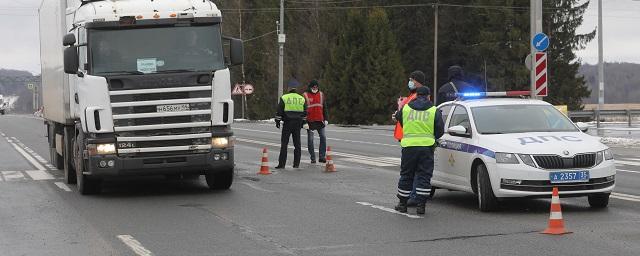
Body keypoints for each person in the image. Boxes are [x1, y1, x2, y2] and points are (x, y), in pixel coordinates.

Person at [394, 86, 445, 215]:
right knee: (424, 175)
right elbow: (440, 131)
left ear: (416, 95)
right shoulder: (434, 110)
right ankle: (421, 205)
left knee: (406, 175)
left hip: (409, 147)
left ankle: (402, 204)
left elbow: (399, 118)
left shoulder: (406, 108)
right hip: (426, 148)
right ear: (429, 96)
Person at [275, 80, 308, 169]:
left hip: (287, 123)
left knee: (284, 144)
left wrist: (277, 121)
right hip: (297, 123)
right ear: (296, 89)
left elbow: (279, 111)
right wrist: (304, 122)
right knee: (297, 144)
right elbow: (305, 112)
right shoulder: (301, 98)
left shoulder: (284, 97)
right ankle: (296, 164)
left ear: (289, 88)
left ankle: (282, 164)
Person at [302, 80, 329, 164]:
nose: (315, 88)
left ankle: (321, 157)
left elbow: (324, 108)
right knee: (310, 140)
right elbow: (302, 110)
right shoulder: (305, 95)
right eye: (313, 87)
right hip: (310, 122)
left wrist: (326, 119)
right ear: (310, 87)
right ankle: (313, 158)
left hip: (320, 121)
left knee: (323, 137)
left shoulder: (321, 94)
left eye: (316, 87)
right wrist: (304, 122)